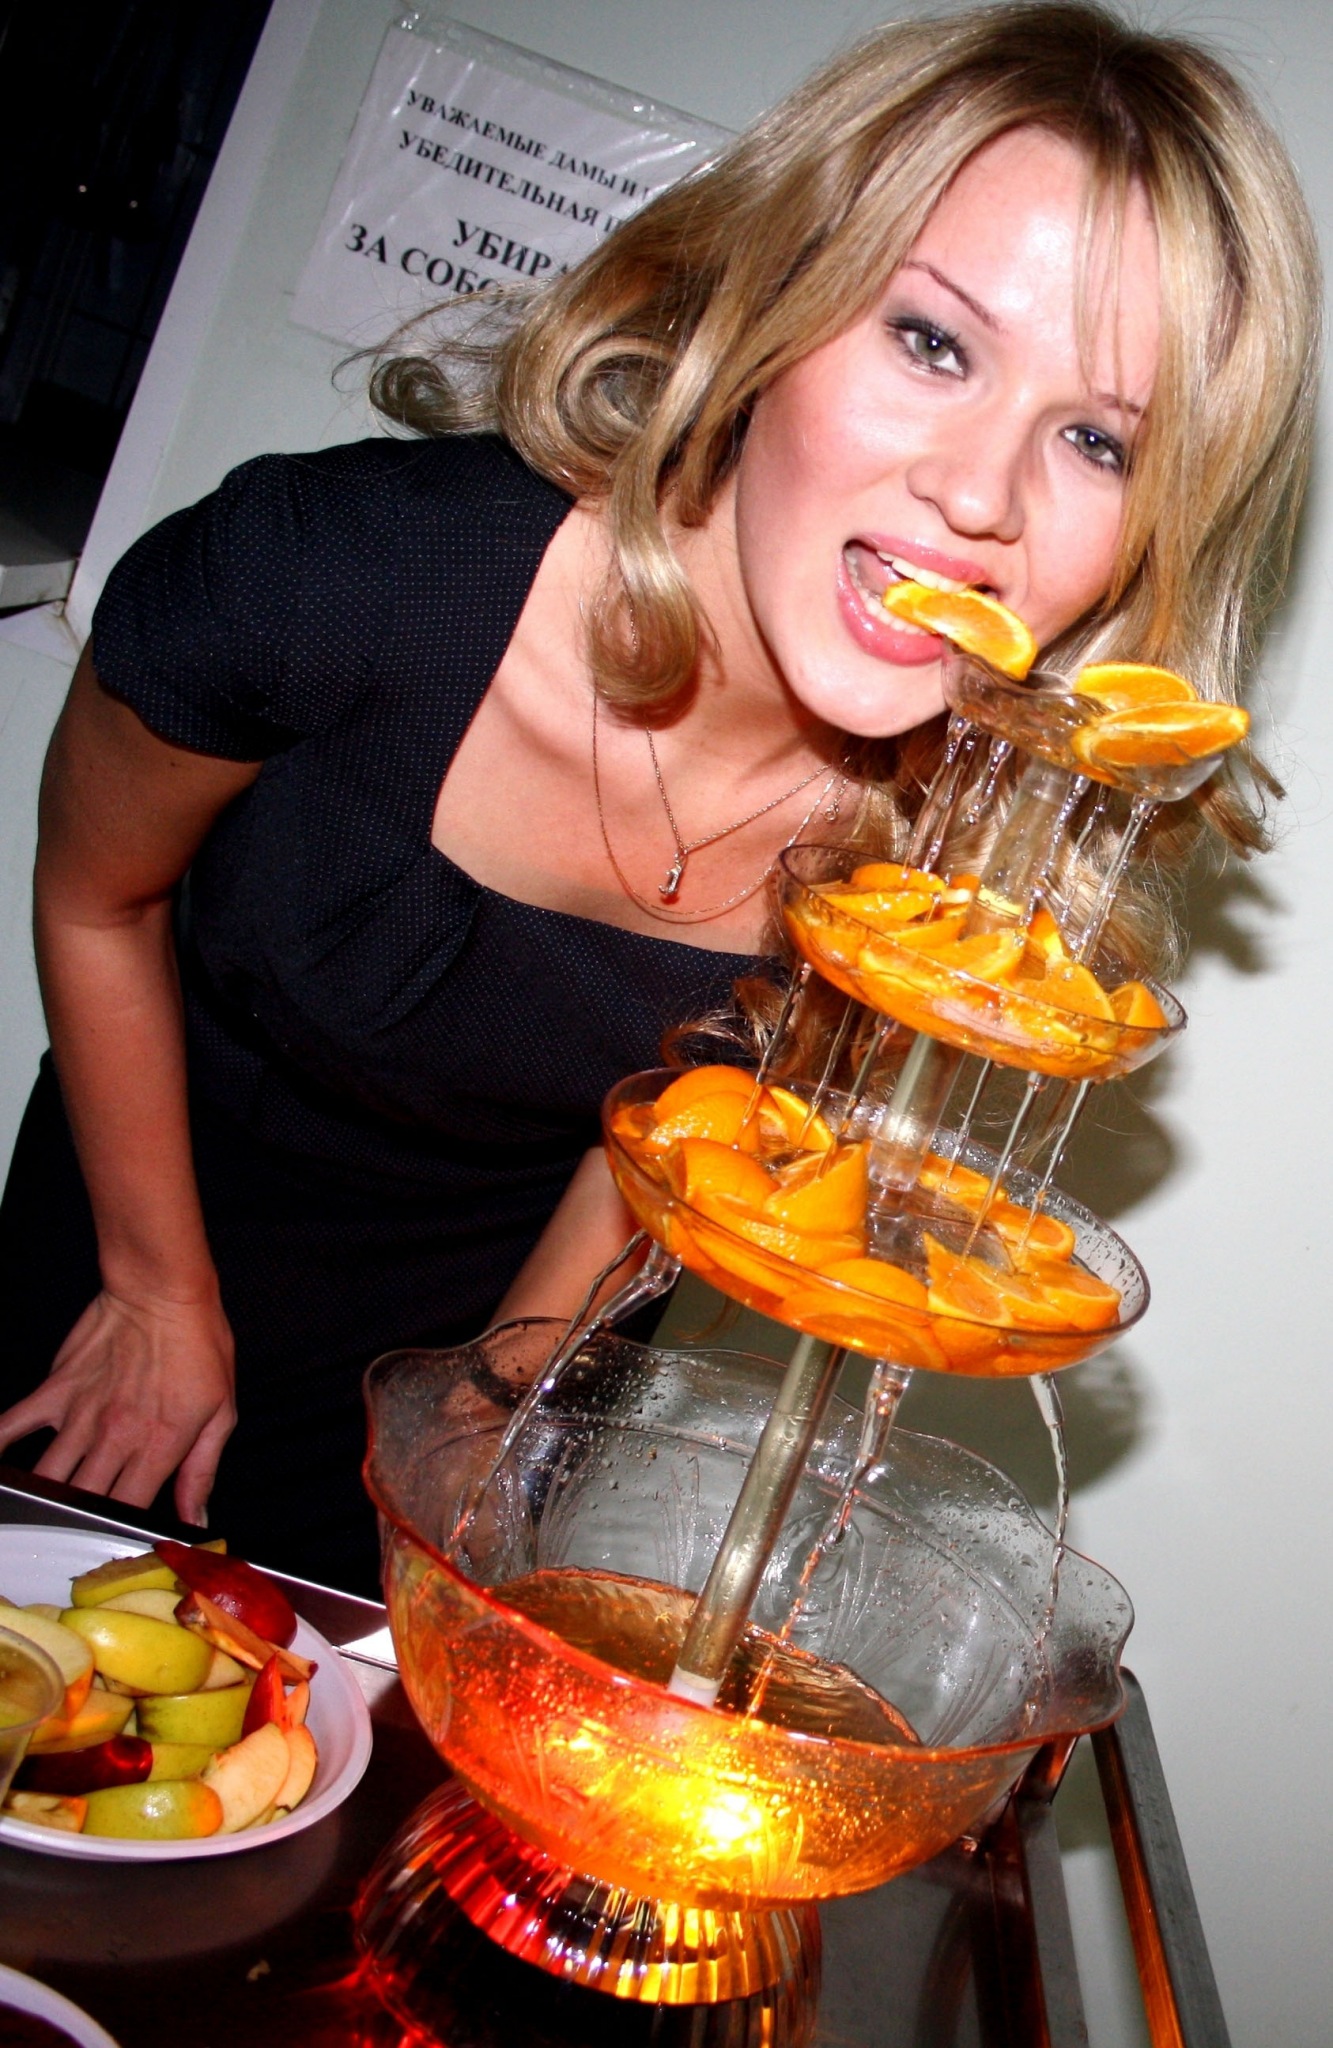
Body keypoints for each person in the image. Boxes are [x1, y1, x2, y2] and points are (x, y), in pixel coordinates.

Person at [0, 3, 1317, 1595]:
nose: (981, 494)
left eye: (1097, 439)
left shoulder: (934, 876)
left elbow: (657, 1147)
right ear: (770, 302)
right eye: (931, 343)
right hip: (132, 1239)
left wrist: (489, 1423)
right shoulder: (318, 576)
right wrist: (152, 1291)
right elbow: (99, 894)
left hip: (484, 1325)